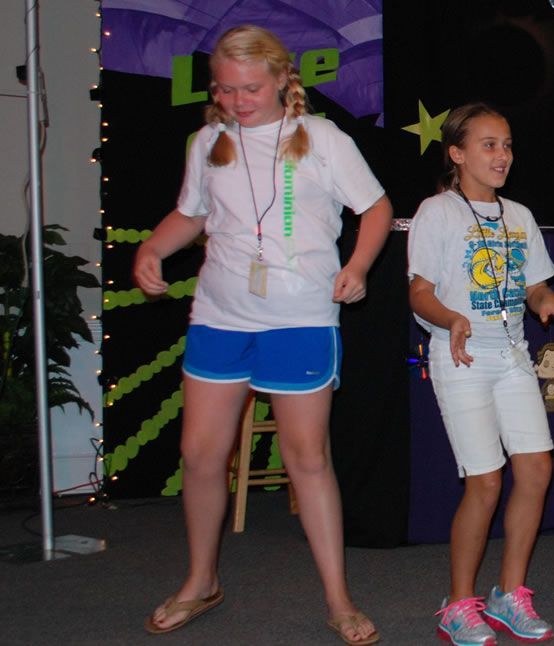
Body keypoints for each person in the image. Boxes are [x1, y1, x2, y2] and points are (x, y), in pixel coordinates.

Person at [132, 25, 390, 646]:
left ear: (281, 80)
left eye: (251, 87)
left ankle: (339, 598)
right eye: (226, 89)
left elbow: (376, 208)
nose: (238, 100)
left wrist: (355, 268)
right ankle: (200, 580)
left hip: (300, 317)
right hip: (220, 315)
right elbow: (191, 214)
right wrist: (152, 248)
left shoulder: (322, 138)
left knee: (307, 458)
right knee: (200, 455)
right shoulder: (207, 141)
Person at [408, 103, 554, 645]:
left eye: (506, 144)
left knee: (535, 471)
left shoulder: (519, 216)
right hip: (460, 358)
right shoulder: (438, 212)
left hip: (512, 357)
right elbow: (419, 293)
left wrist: (546, 300)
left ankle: (509, 594)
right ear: (457, 154)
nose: (502, 155)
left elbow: (533, 286)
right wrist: (452, 318)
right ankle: (458, 604)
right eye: (488, 144)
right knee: (484, 482)